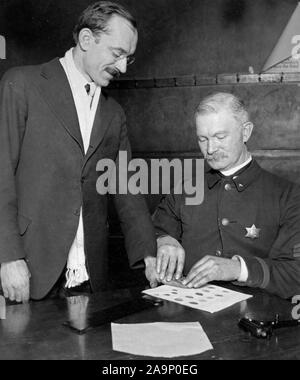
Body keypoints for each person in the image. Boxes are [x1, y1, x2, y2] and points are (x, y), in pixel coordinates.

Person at [0, 1, 157, 302]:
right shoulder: (21, 85)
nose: (123, 67)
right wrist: (8, 258)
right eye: (117, 53)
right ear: (86, 40)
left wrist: (148, 255)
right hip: (26, 272)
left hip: (91, 278)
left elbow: (127, 190)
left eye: (129, 59)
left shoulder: (115, 113)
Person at [152, 92, 300, 299]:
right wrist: (163, 241)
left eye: (220, 137)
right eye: (203, 139)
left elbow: (295, 274)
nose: (210, 149)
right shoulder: (184, 189)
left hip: (257, 319)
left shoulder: (288, 195)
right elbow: (155, 228)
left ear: (246, 132)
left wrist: (237, 269)